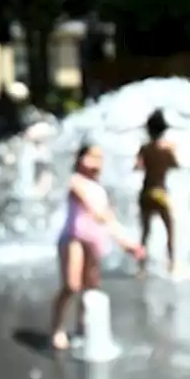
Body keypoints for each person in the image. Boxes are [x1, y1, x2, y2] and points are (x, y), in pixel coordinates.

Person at [50, 143, 145, 350]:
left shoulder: (100, 189)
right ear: (80, 159)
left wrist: (129, 244)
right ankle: (58, 327)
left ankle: (83, 327)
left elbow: (110, 220)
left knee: (90, 287)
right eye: (91, 157)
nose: (96, 162)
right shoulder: (76, 182)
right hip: (73, 239)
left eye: (99, 158)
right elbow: (94, 209)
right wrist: (102, 216)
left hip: (93, 241)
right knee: (71, 286)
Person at [134, 109, 180, 277]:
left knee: (145, 233)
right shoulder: (168, 148)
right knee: (170, 229)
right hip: (160, 192)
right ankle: (172, 265)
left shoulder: (144, 148)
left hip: (145, 192)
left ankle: (141, 268)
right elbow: (176, 165)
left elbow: (137, 167)